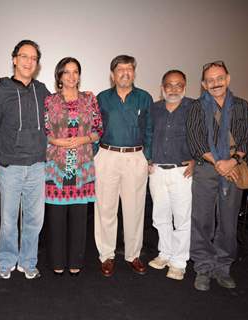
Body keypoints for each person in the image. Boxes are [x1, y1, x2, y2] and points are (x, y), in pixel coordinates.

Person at [187, 60, 248, 291]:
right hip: (206, 169)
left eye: (219, 78)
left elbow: (247, 139)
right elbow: (196, 141)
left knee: (228, 221)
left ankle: (223, 267)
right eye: (210, 80)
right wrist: (219, 163)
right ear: (204, 85)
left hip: (234, 169)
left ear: (228, 79)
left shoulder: (242, 106)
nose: (215, 83)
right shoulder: (196, 107)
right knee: (202, 221)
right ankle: (204, 267)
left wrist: (232, 162)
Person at [0, 40, 50, 280]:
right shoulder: (0, 91)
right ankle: (6, 262)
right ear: (14, 59)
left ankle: (28, 262)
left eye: (33, 58)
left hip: (37, 165)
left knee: (34, 221)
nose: (28, 62)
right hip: (10, 166)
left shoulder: (42, 90)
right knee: (9, 221)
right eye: (24, 56)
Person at [94, 55, 153, 277]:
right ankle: (106, 255)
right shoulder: (102, 98)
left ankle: (133, 254)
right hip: (107, 155)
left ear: (134, 73)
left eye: (129, 69)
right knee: (105, 209)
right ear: (112, 74)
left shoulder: (144, 98)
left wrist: (148, 157)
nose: (125, 73)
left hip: (135, 157)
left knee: (135, 208)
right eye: (120, 69)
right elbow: (95, 128)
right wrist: (94, 157)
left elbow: (149, 129)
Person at [44, 57, 103, 276]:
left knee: (79, 218)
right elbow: (45, 131)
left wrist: (84, 139)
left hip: (82, 166)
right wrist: (57, 142)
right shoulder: (49, 101)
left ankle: (76, 260)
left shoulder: (90, 99)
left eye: (75, 71)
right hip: (56, 167)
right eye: (66, 72)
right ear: (59, 76)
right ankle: (57, 261)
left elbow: (99, 129)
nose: (71, 76)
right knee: (56, 218)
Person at [148, 70, 194, 281]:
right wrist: (147, 158)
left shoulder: (194, 108)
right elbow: (146, 134)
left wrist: (197, 160)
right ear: (162, 87)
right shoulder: (154, 109)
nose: (174, 89)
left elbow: (204, 137)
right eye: (169, 85)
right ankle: (165, 253)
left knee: (182, 219)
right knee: (160, 217)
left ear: (184, 87)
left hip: (181, 172)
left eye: (178, 85)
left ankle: (179, 261)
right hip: (156, 171)